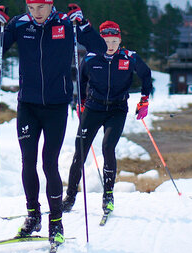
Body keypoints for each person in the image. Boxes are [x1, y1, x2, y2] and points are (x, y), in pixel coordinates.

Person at [0, 0, 106, 247]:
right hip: (27, 105)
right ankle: (33, 215)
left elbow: (100, 48)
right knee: (28, 161)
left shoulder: (65, 23)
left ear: (50, 5)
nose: (36, 13)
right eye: (31, 8)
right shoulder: (19, 24)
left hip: (56, 106)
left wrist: (83, 24)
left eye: (40, 7)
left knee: (49, 163)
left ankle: (56, 223)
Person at [61, 21, 152, 215]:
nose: (110, 45)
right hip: (93, 108)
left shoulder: (129, 57)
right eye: (106, 41)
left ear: (120, 40)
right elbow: (81, 80)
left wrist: (144, 100)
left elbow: (146, 75)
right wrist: (81, 102)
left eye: (114, 40)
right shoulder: (91, 58)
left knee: (108, 147)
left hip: (117, 110)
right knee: (80, 151)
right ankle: (70, 197)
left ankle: (108, 196)